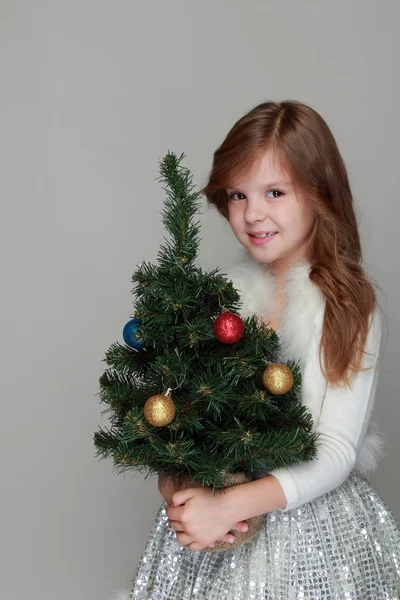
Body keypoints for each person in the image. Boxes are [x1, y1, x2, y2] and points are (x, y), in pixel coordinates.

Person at [115, 100, 400, 599]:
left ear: (319, 193)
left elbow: (334, 452)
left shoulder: (346, 307)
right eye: (237, 196)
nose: (252, 214)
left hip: (310, 533)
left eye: (275, 192)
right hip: (213, 526)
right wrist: (183, 497)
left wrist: (229, 506)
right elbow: (177, 427)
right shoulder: (219, 302)